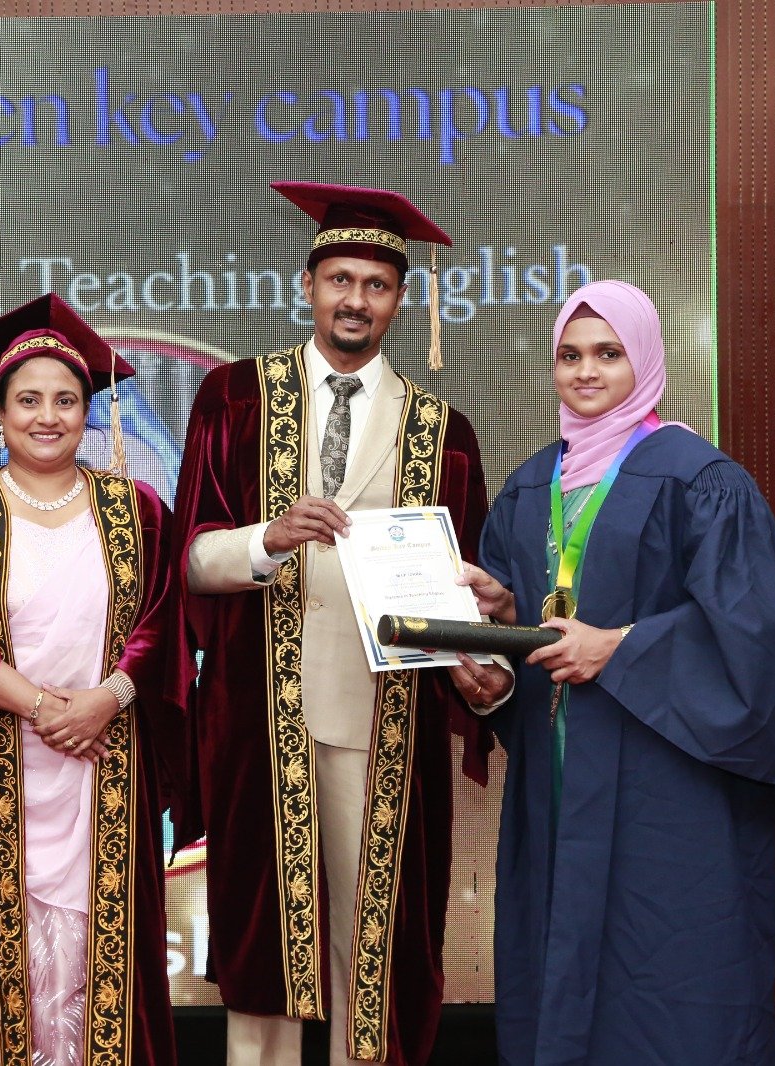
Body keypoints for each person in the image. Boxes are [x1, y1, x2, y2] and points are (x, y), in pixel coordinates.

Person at [171, 181, 511, 1066]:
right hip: (262, 718)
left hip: (384, 720)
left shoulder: (442, 431)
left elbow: (466, 597)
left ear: (401, 299)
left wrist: (484, 672)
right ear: (308, 285)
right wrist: (267, 539)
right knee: (266, 947)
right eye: (340, 279)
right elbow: (190, 559)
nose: (356, 299)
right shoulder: (236, 397)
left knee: (377, 948)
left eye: (377, 284)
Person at [477, 279, 775, 1064]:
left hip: (669, 790)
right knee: (554, 968)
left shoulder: (699, 478)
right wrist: (496, 636)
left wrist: (621, 648)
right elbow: (527, 635)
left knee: (674, 986)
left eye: (608, 353)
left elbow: (754, 636)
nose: (586, 371)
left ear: (643, 359)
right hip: (558, 782)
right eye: (570, 355)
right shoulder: (530, 487)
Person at [0, 293, 185, 1065]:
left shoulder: (139, 511)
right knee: (1, 960)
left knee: (105, 956)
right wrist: (50, 710)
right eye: (28, 400)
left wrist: (106, 701)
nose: (47, 416)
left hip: (106, 763)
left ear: (90, 412)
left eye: (65, 400)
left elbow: (163, 624)